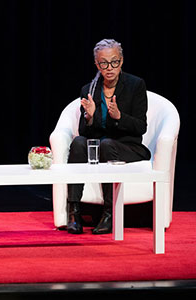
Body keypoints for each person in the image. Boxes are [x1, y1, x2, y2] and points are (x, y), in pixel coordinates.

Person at [66, 39, 151, 234]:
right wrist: (89, 117)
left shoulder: (135, 85)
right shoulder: (89, 90)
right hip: (102, 145)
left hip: (128, 147)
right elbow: (85, 133)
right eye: (104, 63)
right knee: (79, 143)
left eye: (114, 62)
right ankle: (73, 211)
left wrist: (119, 117)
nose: (109, 68)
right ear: (97, 64)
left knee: (105, 144)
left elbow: (141, 127)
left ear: (121, 61)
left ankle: (109, 213)